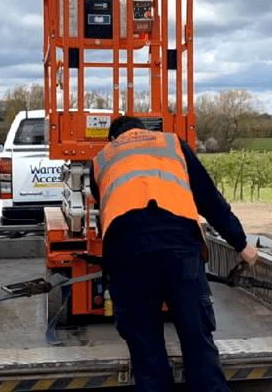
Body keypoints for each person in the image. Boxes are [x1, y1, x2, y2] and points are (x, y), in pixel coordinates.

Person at [90, 115, 259, 392]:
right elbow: (209, 198)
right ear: (145, 131)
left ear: (114, 139)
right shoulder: (172, 144)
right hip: (183, 254)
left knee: (147, 353)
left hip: (128, 257)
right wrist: (241, 243)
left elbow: (107, 210)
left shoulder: (101, 159)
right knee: (198, 341)